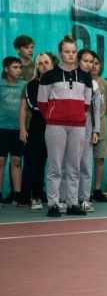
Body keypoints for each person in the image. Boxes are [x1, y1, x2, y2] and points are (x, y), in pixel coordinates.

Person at [38, 35, 92, 217]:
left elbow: (86, 104)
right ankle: (53, 205)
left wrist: (75, 116)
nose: (71, 54)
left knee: (74, 167)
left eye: (74, 52)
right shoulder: (49, 76)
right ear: (60, 53)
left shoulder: (85, 77)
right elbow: (42, 102)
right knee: (55, 167)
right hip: (55, 126)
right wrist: (53, 117)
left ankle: (72, 204)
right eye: (67, 51)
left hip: (77, 127)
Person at [56, 49, 101, 212]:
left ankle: (84, 199)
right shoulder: (67, 79)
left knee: (85, 165)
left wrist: (96, 130)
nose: (89, 65)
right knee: (64, 164)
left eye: (92, 62)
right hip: (67, 128)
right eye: (86, 61)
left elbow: (96, 110)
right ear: (78, 61)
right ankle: (63, 199)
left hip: (86, 129)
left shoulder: (94, 84)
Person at [17, 53, 53, 209]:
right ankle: (27, 196)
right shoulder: (31, 85)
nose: (43, 65)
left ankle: (40, 192)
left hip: (55, 125)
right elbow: (29, 106)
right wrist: (22, 129)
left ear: (52, 65)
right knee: (32, 161)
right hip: (37, 125)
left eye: (46, 62)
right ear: (36, 67)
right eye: (40, 63)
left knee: (47, 161)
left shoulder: (59, 84)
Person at [0, 57, 26, 205]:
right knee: (1, 160)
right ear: (6, 69)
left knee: (16, 160)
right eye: (15, 67)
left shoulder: (23, 85)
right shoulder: (1, 84)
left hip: (18, 129)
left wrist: (23, 128)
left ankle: (17, 193)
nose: (18, 70)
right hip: (2, 128)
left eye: (20, 67)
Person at [91, 55, 107, 203]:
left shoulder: (105, 84)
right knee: (81, 162)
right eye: (90, 63)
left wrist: (100, 117)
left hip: (101, 127)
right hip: (84, 127)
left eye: (96, 63)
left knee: (99, 159)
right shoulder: (82, 82)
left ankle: (97, 190)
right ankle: (81, 192)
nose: (93, 66)